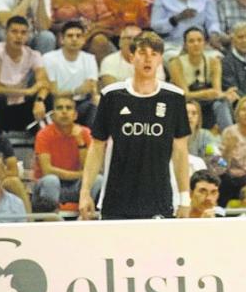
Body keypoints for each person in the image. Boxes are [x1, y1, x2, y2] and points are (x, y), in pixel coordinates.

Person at [80, 31, 192, 220]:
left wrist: (185, 198)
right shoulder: (112, 95)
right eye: (142, 53)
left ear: (160, 60)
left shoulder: (174, 97)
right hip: (117, 197)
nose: (148, 59)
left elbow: (180, 151)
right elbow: (97, 146)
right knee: (115, 250)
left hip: (160, 198)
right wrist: (85, 192)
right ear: (131, 57)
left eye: (154, 54)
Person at [0, 14, 52, 132]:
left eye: (23, 33)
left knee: (48, 99)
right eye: (14, 32)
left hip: (15, 109)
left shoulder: (33, 55)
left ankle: (42, 141)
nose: (19, 36)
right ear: (6, 33)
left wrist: (39, 101)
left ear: (28, 35)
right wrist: (24, 91)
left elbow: (44, 83)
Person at [32, 92, 100, 211]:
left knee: (98, 179)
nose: (64, 112)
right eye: (59, 108)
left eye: (68, 108)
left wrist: (80, 143)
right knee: (51, 180)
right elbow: (47, 170)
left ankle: (89, 218)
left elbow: (89, 168)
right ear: (53, 115)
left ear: (75, 115)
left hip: (77, 186)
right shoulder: (43, 134)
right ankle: (50, 221)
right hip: (49, 186)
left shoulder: (85, 133)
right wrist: (80, 174)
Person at [42, 20, 100, 124]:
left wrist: (95, 97)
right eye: (70, 36)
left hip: (80, 105)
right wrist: (76, 91)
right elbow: (53, 91)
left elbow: (92, 88)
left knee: (96, 104)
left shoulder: (89, 59)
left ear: (84, 40)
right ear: (62, 39)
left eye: (78, 36)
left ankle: (92, 139)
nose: (74, 39)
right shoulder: (49, 58)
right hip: (56, 104)